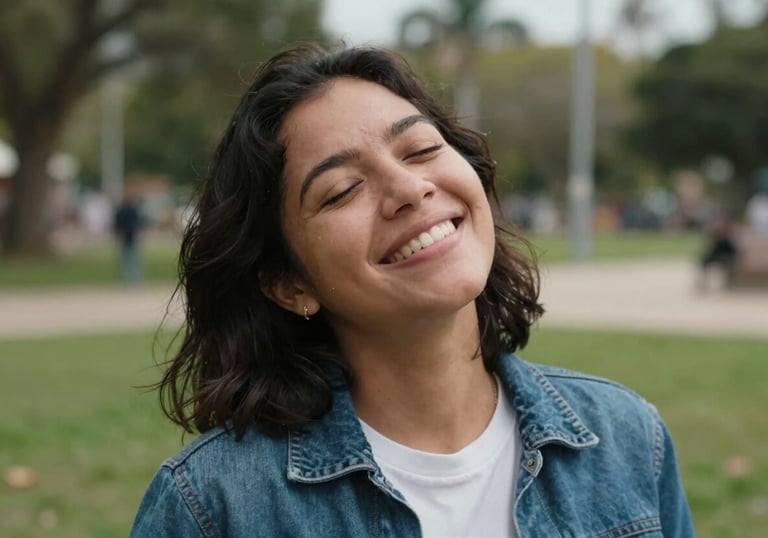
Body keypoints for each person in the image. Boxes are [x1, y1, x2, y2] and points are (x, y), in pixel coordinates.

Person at [131, 44, 694, 537]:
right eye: (342, 190)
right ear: (288, 283)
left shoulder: (626, 437)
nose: (409, 189)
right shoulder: (213, 506)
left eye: (422, 150)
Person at [113, 192, 143, 284]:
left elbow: (138, 224)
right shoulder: (121, 212)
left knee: (134, 259)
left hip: (132, 238)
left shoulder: (133, 211)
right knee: (126, 260)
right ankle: (128, 280)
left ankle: (135, 279)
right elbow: (117, 225)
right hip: (124, 238)